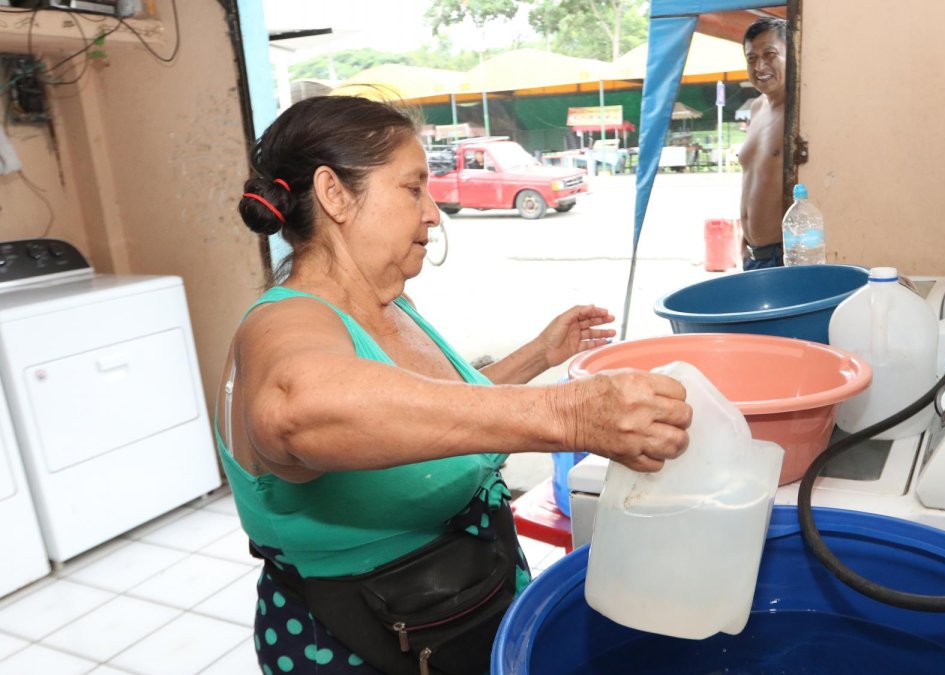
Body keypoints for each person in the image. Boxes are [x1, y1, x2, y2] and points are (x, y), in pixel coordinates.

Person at [225, 95, 691, 674]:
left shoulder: (392, 305)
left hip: (458, 604)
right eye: (413, 188)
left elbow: (432, 423)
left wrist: (538, 356)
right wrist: (566, 415)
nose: (433, 212)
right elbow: (299, 408)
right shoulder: (283, 321)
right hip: (365, 640)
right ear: (334, 193)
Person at [737, 17, 788, 270]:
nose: (760, 66)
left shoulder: (800, 113)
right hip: (754, 256)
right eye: (751, 58)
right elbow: (753, 178)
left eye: (770, 54)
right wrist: (745, 239)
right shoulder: (757, 107)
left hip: (786, 257)